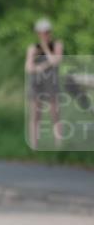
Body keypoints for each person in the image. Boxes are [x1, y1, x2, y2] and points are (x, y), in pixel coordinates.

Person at [26, 17, 64, 147]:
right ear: (38, 33)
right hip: (36, 84)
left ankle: (59, 144)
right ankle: (34, 144)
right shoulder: (32, 48)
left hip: (51, 83)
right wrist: (39, 67)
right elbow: (29, 68)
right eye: (42, 32)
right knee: (36, 114)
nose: (44, 35)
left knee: (55, 113)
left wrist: (45, 49)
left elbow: (56, 60)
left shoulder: (57, 45)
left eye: (47, 32)